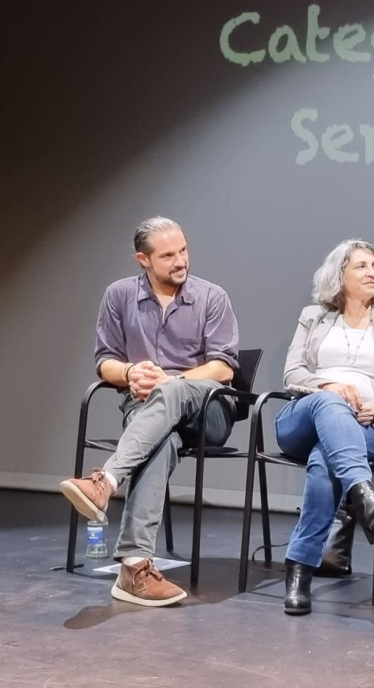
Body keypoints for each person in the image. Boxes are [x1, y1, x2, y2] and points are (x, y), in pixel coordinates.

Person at [60, 217, 240, 607]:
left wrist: (171, 381)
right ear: (142, 259)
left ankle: (105, 480)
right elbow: (105, 361)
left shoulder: (212, 297)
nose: (181, 261)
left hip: (207, 412)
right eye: (168, 255)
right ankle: (135, 568)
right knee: (160, 443)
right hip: (146, 411)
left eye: (184, 251)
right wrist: (128, 372)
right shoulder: (119, 295)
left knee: (171, 394)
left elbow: (224, 367)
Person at [276, 238, 374, 614]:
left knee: (325, 462)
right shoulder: (314, 316)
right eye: (362, 266)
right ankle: (362, 492)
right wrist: (330, 387)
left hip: (366, 426)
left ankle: (299, 571)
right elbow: (292, 373)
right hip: (303, 416)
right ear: (339, 275)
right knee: (329, 402)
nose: (373, 272)